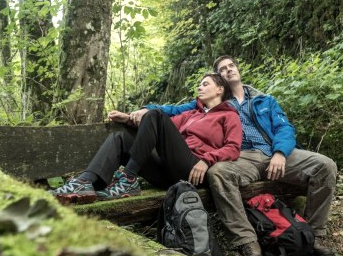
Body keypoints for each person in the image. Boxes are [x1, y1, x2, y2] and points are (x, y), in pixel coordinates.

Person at [130, 55, 337, 256]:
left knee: (325, 165)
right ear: (218, 79)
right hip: (241, 157)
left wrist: (280, 153)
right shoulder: (215, 103)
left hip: (276, 152)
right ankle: (248, 243)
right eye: (222, 69)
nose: (229, 70)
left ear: (237, 69)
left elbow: (284, 129)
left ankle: (315, 235)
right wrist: (146, 109)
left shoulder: (264, 100)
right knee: (218, 172)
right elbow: (174, 110)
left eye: (231, 66)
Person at [51, 73, 242, 204]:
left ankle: (127, 179)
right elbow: (157, 128)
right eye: (200, 84)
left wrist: (206, 161)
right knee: (120, 138)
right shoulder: (191, 114)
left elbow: (233, 148)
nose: (200, 87)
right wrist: (128, 119)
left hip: (193, 171)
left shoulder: (228, 115)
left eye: (205, 84)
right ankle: (85, 183)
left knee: (156, 114)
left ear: (219, 90)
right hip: (167, 174)